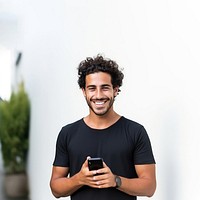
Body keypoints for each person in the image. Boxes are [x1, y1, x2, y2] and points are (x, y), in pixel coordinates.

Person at [50, 55, 156, 200]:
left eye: (105, 88)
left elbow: (149, 187)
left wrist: (115, 181)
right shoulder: (68, 133)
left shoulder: (135, 132)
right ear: (84, 91)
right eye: (92, 88)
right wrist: (79, 179)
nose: (98, 95)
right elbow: (56, 188)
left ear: (115, 90)